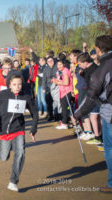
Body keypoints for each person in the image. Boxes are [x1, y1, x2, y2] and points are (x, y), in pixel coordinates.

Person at [74, 35, 112, 193]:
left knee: (109, 149)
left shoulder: (102, 69)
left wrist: (77, 114)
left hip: (110, 113)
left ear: (98, 49)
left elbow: (91, 97)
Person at [0, 74, 38, 192]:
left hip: (18, 129)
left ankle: (13, 181)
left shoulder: (25, 97)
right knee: (4, 157)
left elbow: (35, 113)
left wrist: (33, 129)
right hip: (3, 130)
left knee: (20, 152)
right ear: (10, 85)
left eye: (19, 84)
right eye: (14, 84)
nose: (17, 87)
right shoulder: (2, 95)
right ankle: (3, 147)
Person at [76, 53, 101, 144]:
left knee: (94, 116)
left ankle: (98, 137)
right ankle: (98, 136)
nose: (79, 66)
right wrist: (83, 75)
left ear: (85, 62)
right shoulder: (88, 69)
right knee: (95, 116)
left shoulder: (93, 69)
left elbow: (93, 83)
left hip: (96, 96)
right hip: (93, 95)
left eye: (80, 64)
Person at [52, 60, 74, 129]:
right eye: (58, 65)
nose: (59, 66)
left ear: (63, 64)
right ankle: (65, 121)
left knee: (65, 108)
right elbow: (60, 80)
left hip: (67, 91)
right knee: (64, 107)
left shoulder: (65, 71)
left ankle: (65, 123)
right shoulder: (59, 71)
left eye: (60, 64)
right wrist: (55, 80)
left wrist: (57, 82)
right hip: (62, 92)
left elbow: (66, 82)